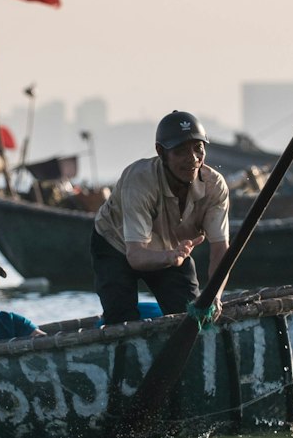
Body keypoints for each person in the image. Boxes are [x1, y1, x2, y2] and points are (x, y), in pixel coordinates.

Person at [91, 110, 230, 326]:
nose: (192, 159)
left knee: (194, 317)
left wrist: (215, 295)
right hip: (116, 246)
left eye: (198, 149)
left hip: (171, 250)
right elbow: (135, 256)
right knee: (121, 323)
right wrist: (170, 257)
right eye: (181, 151)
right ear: (161, 152)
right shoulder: (139, 181)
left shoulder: (215, 186)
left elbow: (220, 249)